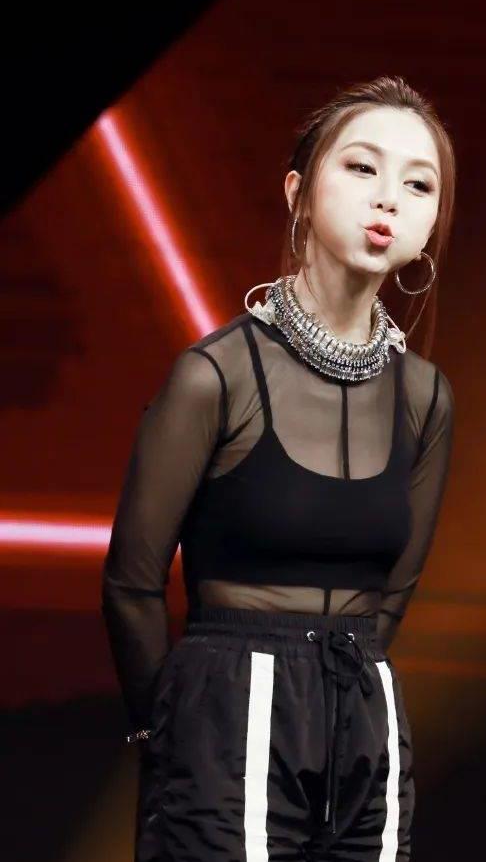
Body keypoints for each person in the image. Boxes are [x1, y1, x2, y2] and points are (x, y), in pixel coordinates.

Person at [101, 74, 457, 862]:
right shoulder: (214, 376)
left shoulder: (425, 396)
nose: (389, 197)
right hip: (227, 711)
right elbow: (131, 580)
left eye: (419, 183)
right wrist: (168, 729)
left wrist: (339, 689)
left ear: (431, 222)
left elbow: (394, 590)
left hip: (364, 716)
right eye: (361, 167)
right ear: (297, 191)